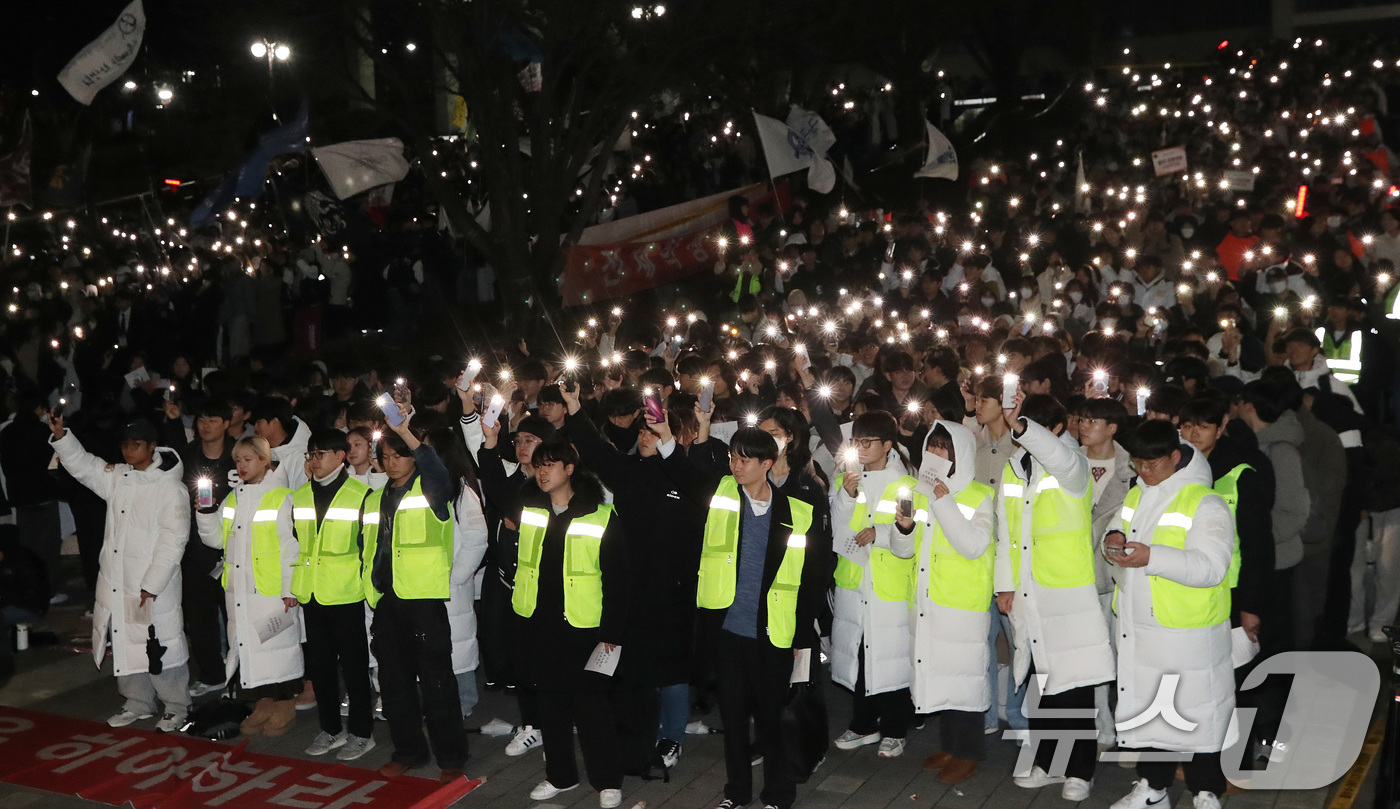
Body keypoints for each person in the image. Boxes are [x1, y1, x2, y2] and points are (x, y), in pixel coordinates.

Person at [664, 427, 830, 809]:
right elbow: (683, 474)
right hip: (727, 632)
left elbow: (812, 581)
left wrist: (802, 639)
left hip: (774, 633)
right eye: (733, 458)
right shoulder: (723, 494)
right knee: (734, 720)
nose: (735, 466)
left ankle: (778, 794)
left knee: (772, 720)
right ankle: (736, 793)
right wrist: (665, 438)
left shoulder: (798, 514)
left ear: (766, 464)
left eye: (744, 460)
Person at [1104, 421, 1236, 809]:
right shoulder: (1137, 494)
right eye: (1137, 464)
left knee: (1198, 714)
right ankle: (1153, 787)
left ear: (1175, 457)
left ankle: (1207, 790)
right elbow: (1117, 527)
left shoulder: (1204, 501)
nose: (1143, 472)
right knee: (1153, 713)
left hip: (1186, 633)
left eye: (1152, 464)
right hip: (1139, 627)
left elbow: (1211, 567)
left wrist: (1152, 557)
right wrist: (1112, 538)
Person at [996, 393, 1115, 802]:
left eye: (1029, 425)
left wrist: (1024, 427)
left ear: (1054, 429)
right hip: (1029, 592)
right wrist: (1004, 585)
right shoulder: (1015, 468)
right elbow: (1004, 533)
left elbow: (1057, 457)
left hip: (1065, 591)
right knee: (1044, 681)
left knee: (1075, 682)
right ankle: (1048, 761)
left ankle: (1081, 770)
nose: (1020, 430)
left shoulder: (1072, 464)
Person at [48, 415, 192, 731]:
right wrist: (63, 438)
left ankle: (176, 706)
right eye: (125, 444)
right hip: (119, 582)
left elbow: (174, 540)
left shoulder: (169, 488)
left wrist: (153, 583)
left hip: (154, 585)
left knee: (162, 642)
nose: (128, 451)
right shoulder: (120, 478)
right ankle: (138, 702)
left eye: (136, 444)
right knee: (127, 640)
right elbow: (86, 467)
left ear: (153, 447)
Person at [510, 438, 630, 809]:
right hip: (539, 622)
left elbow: (619, 581)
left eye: (551, 464)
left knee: (592, 708)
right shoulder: (532, 509)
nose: (542, 471)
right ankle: (560, 776)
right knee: (550, 706)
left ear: (570, 469)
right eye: (538, 465)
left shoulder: (600, 514)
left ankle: (607, 781)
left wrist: (610, 635)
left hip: (584, 627)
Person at [363, 404, 467, 783]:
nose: (391, 463)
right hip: (387, 601)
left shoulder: (431, 490)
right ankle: (408, 751)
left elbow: (437, 469)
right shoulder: (375, 498)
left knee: (437, 682)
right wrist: (372, 592)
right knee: (393, 683)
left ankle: (452, 757)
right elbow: (369, 548)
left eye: (399, 456)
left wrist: (407, 433)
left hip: (423, 600)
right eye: (385, 456)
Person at [907, 421, 996, 784]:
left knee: (965, 680)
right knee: (938, 675)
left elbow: (972, 545)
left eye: (944, 449)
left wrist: (943, 500)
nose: (936, 455)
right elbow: (906, 546)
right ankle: (949, 745)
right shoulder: (919, 492)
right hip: (929, 599)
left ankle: (969, 752)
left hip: (962, 604)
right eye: (932, 447)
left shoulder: (979, 496)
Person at [197, 435, 303, 737]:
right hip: (240, 590)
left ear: (264, 461)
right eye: (238, 460)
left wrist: (289, 588)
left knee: (275, 647)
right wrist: (204, 514)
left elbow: (290, 546)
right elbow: (217, 540)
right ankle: (262, 703)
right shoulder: (233, 498)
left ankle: (285, 705)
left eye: (248, 459)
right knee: (249, 647)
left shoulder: (281, 497)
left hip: (269, 591)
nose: (242, 466)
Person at [829, 411, 916, 759]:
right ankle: (864, 723)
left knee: (891, 658)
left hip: (887, 582)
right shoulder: (847, 478)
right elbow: (836, 527)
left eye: (868, 442)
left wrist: (881, 534)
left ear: (887, 446)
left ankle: (896, 729)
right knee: (859, 653)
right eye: (857, 442)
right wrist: (847, 496)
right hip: (854, 578)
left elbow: (911, 538)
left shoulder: (904, 483)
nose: (861, 449)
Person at [290, 430, 376, 761]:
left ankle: (361, 733)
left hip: (347, 592)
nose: (313, 461)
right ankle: (331, 728)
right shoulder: (299, 496)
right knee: (321, 667)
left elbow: (369, 546)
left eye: (320, 454)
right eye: (309, 455)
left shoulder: (361, 494)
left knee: (355, 667)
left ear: (341, 456)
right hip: (312, 592)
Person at [179, 398, 236, 698]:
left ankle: (238, 678)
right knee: (198, 614)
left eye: (213, 419)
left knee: (234, 614)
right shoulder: (187, 456)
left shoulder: (239, 454)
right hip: (195, 547)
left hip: (233, 548)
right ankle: (212, 673)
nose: (206, 425)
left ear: (227, 423)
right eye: (201, 419)